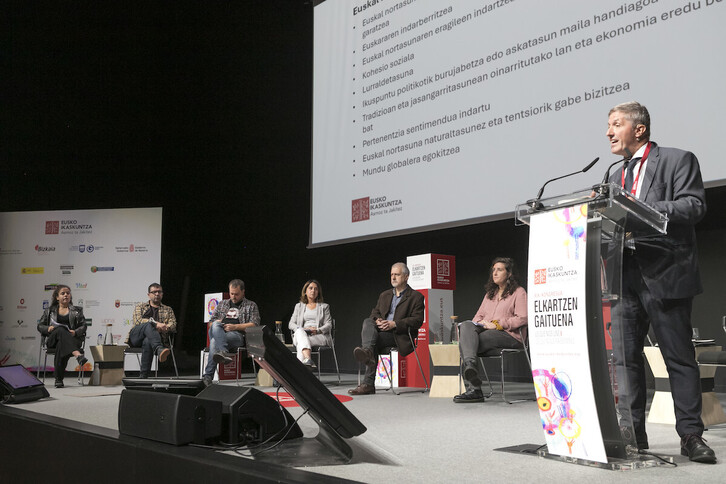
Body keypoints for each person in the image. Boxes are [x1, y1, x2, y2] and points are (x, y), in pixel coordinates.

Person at [606, 101, 715, 463]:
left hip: (666, 271)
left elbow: (693, 206)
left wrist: (642, 209)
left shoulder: (678, 159)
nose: (609, 132)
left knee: (678, 359)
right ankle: (632, 434)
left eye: (616, 124)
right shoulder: (613, 175)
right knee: (624, 361)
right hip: (624, 276)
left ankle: (690, 436)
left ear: (639, 129)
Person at [454, 257, 528, 403]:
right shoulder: (490, 294)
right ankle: (470, 365)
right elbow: (477, 316)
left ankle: (474, 389)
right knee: (465, 326)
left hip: (510, 336)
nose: (494, 273)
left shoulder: (519, 292)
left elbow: (523, 318)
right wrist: (479, 323)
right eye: (493, 270)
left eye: (499, 270)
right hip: (487, 334)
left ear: (509, 273)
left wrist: (498, 324)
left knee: (468, 342)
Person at [348, 262, 425, 395]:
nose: (393, 277)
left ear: (406, 277)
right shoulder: (385, 295)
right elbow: (374, 313)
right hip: (380, 330)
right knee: (368, 321)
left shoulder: (416, 297)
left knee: (374, 342)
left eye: (397, 274)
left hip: (399, 334)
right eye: (391, 275)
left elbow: (417, 321)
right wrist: (378, 321)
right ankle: (367, 353)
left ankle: (368, 382)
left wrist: (394, 324)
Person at [202, 279, 261, 386]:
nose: (233, 297)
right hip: (219, 331)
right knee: (215, 324)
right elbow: (210, 323)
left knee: (215, 342)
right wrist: (220, 323)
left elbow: (255, 324)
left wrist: (235, 327)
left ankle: (208, 376)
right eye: (231, 293)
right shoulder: (222, 304)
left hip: (237, 335)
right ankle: (223, 351)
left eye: (236, 294)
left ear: (243, 292)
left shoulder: (251, 305)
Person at [37, 285, 88, 388]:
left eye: (68, 293)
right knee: (60, 329)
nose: (66, 295)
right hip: (52, 340)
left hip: (71, 340)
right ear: (57, 297)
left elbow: (83, 326)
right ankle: (77, 354)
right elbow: (40, 326)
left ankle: (58, 379)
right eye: (63, 293)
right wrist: (48, 328)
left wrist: (75, 332)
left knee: (62, 344)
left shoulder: (77, 311)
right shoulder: (49, 311)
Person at [126, 283, 177, 378]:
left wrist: (165, 327)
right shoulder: (140, 307)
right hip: (137, 337)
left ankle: (143, 376)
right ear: (149, 294)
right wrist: (156, 324)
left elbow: (173, 325)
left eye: (159, 292)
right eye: (154, 292)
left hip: (155, 339)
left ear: (162, 294)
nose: (157, 294)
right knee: (149, 324)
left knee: (148, 340)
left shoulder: (168, 309)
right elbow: (138, 321)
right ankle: (159, 349)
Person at [288, 279, 333, 367]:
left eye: (316, 289)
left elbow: (329, 324)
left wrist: (318, 330)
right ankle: (307, 360)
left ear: (318, 292)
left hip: (319, 335)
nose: (313, 290)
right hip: (303, 333)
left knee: (301, 343)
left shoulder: (324, 307)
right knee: (300, 333)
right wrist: (301, 329)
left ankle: (300, 371)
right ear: (305, 291)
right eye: (310, 288)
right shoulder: (299, 306)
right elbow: (291, 324)